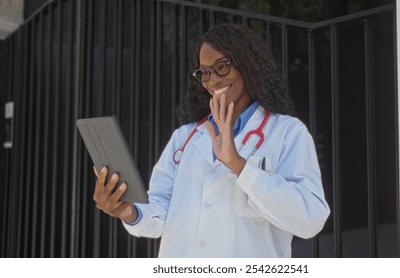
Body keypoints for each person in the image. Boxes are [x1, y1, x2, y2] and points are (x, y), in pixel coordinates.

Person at [93, 23, 330, 258]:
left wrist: (239, 165)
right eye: (204, 72)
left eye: (222, 67)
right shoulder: (184, 138)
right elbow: (160, 211)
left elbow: (310, 219)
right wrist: (128, 211)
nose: (213, 80)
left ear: (247, 66)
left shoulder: (287, 133)